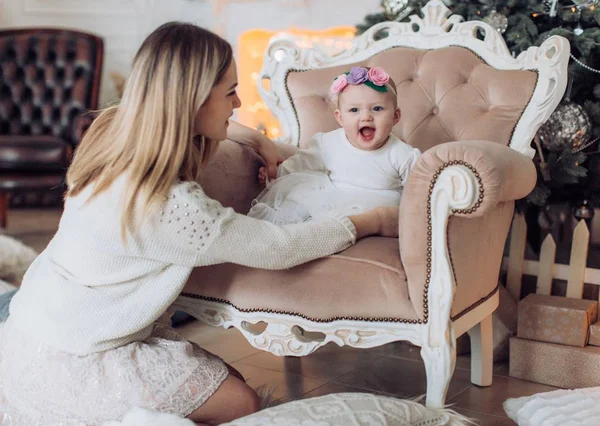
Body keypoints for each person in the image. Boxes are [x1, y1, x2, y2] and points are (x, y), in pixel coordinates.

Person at [0, 23, 400, 426]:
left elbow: (192, 122)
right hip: (81, 355)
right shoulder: (167, 205)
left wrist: (257, 140)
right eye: (230, 92)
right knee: (240, 404)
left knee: (226, 388)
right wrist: (370, 221)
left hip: (30, 323)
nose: (239, 102)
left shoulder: (111, 129)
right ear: (192, 100)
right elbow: (278, 247)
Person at [248, 66, 421, 225]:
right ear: (340, 118)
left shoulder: (402, 154)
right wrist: (277, 173)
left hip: (375, 210)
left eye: (377, 109)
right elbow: (302, 163)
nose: (366, 117)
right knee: (299, 200)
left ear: (395, 117)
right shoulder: (328, 143)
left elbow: (420, 188)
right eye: (354, 110)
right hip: (331, 198)